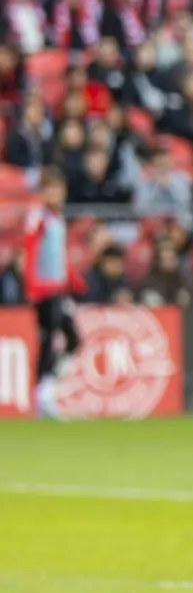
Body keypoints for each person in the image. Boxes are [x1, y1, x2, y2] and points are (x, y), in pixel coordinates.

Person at [23, 168, 82, 417]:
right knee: (48, 340)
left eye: (58, 189)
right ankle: (41, 396)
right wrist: (32, 286)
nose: (55, 194)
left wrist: (73, 281)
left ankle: (48, 386)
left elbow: (60, 255)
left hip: (58, 289)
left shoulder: (58, 218)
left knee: (73, 339)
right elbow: (29, 251)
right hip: (44, 290)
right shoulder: (39, 217)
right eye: (50, 189)